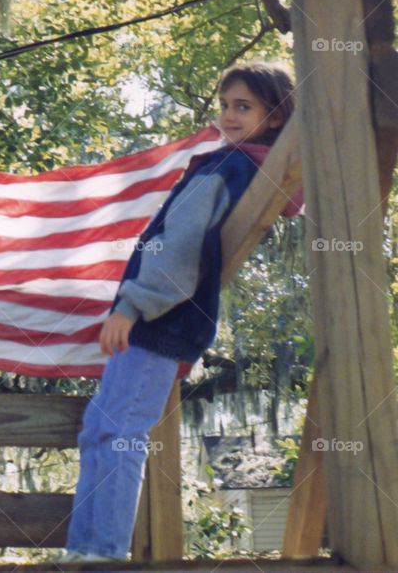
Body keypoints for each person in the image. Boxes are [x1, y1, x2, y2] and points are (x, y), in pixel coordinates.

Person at [63, 62, 299, 562]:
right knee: (100, 428)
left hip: (160, 319)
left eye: (244, 107)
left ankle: (102, 553)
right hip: (158, 317)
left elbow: (179, 248)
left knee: (119, 431)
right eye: (225, 105)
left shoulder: (228, 167)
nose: (229, 116)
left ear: (276, 117)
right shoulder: (239, 164)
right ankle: (86, 548)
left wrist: (132, 305)